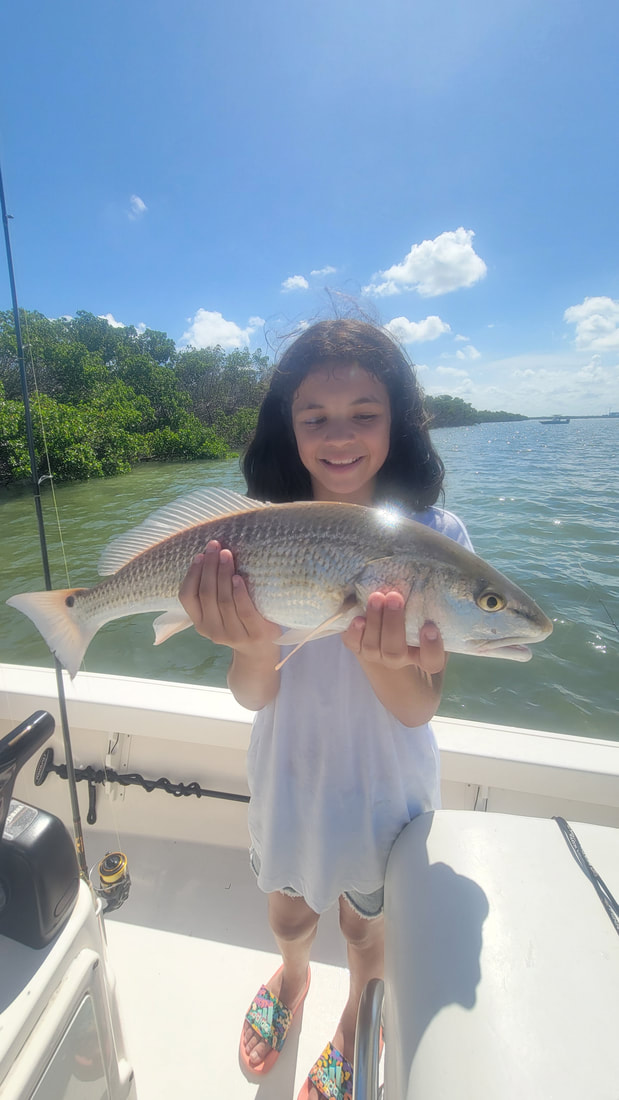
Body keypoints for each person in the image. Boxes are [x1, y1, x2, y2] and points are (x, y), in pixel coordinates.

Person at [179, 319, 473, 1100]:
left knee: (364, 926)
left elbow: (416, 712)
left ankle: (352, 1016)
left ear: (399, 420)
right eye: (315, 417)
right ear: (289, 426)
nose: (339, 436)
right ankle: (293, 975)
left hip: (387, 789)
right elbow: (252, 694)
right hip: (287, 777)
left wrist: (386, 665)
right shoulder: (247, 539)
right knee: (287, 914)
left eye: (363, 413)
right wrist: (246, 644)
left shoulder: (436, 539)